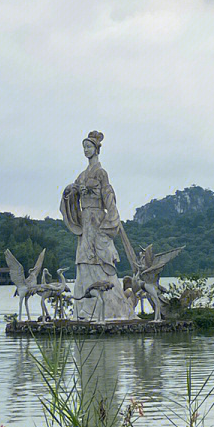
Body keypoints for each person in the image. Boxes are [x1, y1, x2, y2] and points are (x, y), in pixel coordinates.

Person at [60, 131, 133, 320]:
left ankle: (111, 309)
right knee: (83, 261)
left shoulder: (101, 173)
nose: (86, 150)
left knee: (100, 260)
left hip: (97, 219)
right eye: (84, 147)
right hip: (85, 221)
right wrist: (71, 191)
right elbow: (71, 195)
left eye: (89, 147)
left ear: (97, 149)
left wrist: (112, 221)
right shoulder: (82, 175)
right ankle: (84, 309)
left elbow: (108, 196)